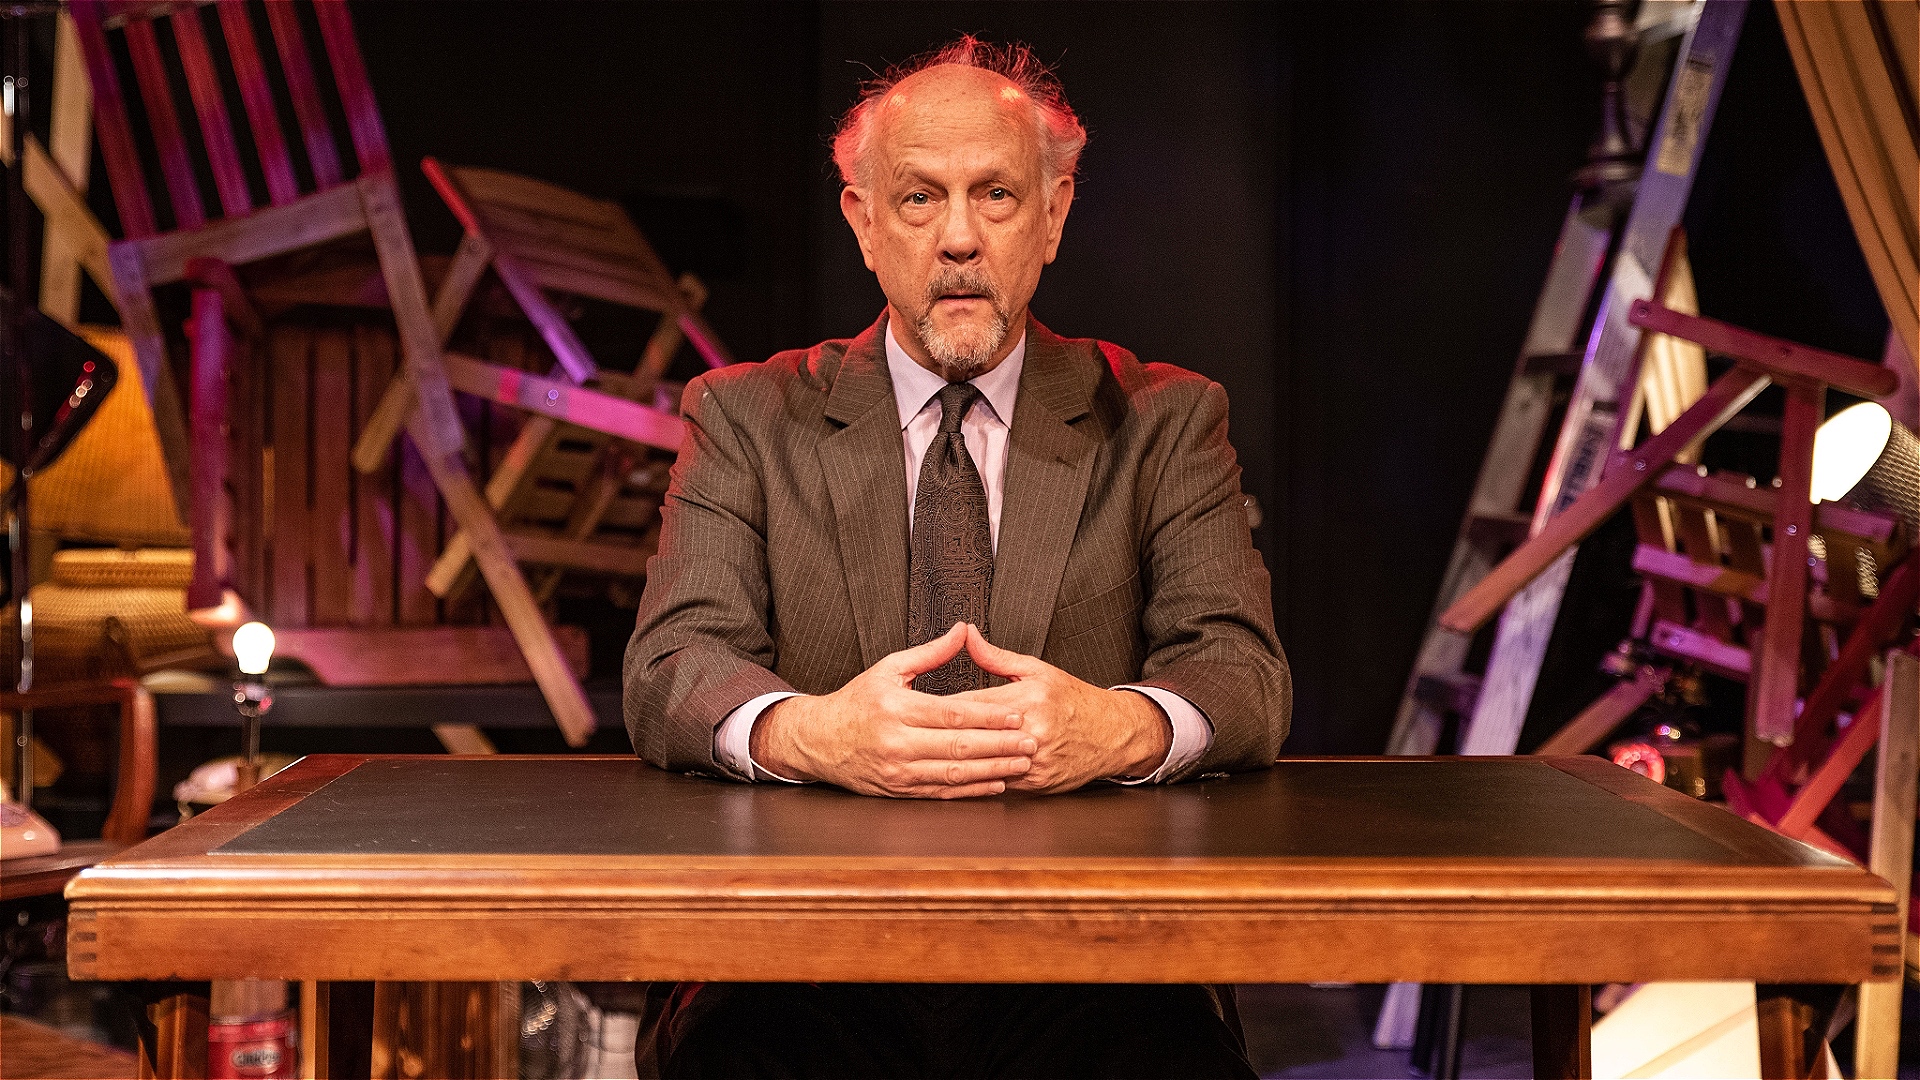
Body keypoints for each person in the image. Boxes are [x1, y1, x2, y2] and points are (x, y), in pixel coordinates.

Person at [625, 35, 1289, 1080]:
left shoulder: (1167, 420)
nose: (961, 241)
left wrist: (1120, 725)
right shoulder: (744, 417)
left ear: (1056, 213)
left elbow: (1242, 673)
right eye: (921, 199)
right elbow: (674, 665)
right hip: (802, 960)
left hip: (1092, 966)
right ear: (865, 223)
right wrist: (815, 732)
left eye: (998, 195)